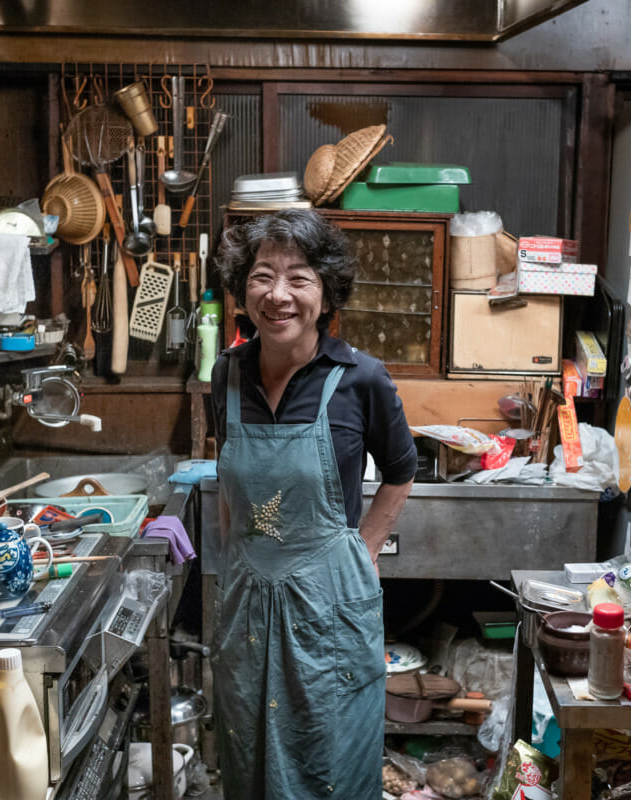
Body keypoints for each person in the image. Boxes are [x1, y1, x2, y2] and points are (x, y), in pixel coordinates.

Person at [210, 209, 416, 798]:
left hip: (329, 613)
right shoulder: (224, 377)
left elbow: (402, 469)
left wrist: (364, 549)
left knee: (330, 768)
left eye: (299, 278)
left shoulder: (361, 379)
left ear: (325, 294)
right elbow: (231, 491)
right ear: (243, 288)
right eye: (262, 276)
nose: (279, 295)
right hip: (247, 613)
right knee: (248, 761)